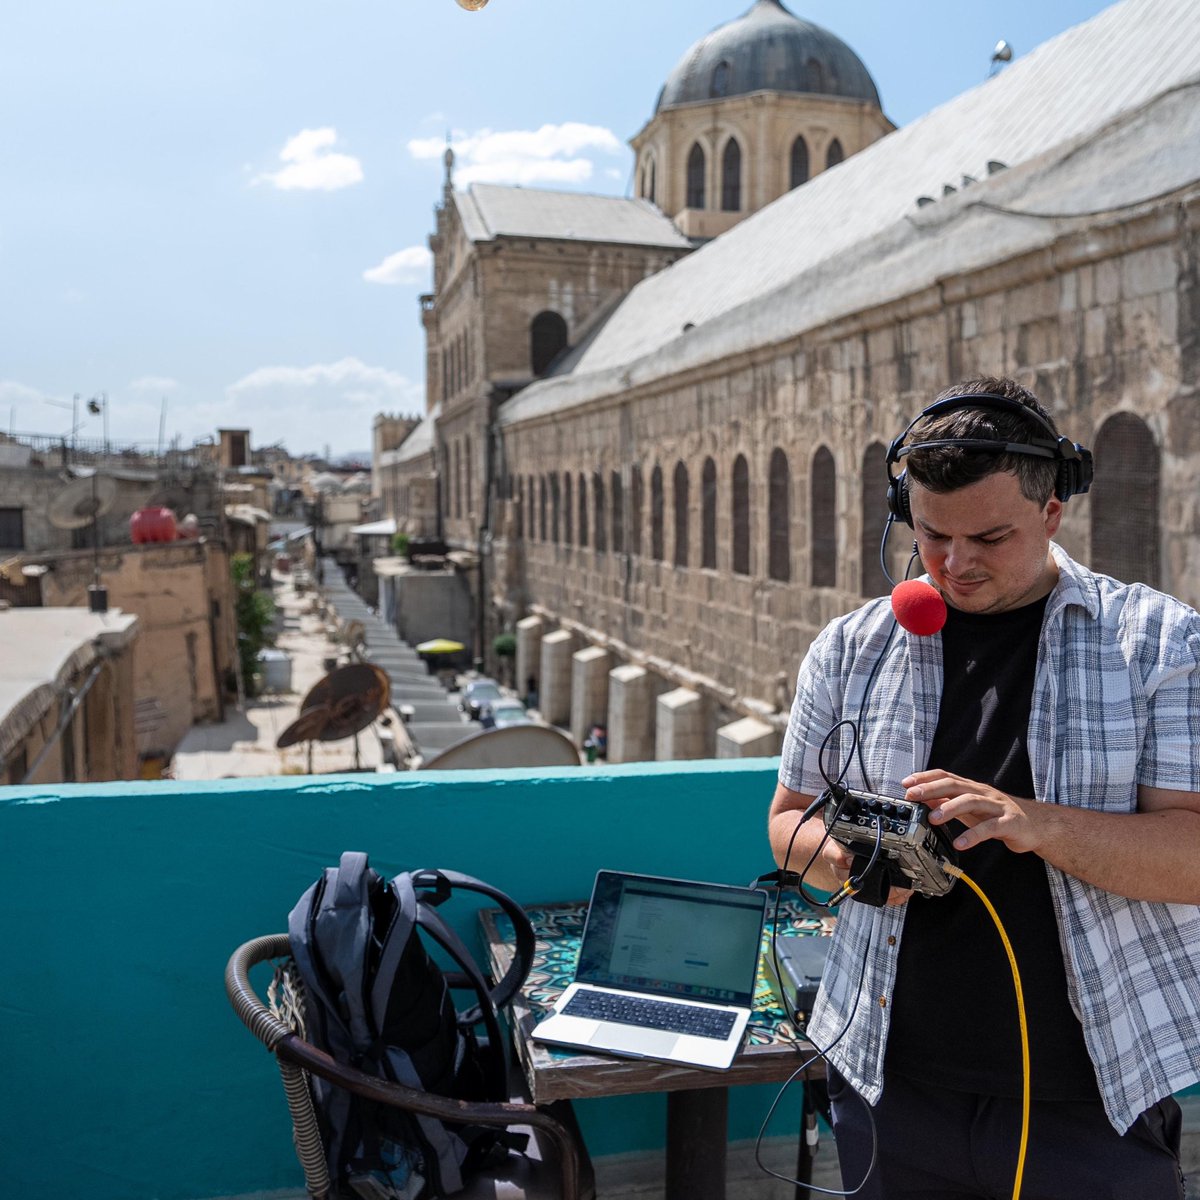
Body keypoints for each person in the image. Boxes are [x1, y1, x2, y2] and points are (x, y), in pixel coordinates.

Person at [768, 377, 1200, 1199]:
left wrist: (1038, 825)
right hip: (885, 1082)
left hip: (1089, 1101)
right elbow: (788, 822)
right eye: (932, 536)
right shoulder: (848, 649)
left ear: (1052, 513)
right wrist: (846, 866)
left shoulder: (1160, 642)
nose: (954, 565)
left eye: (990, 537)